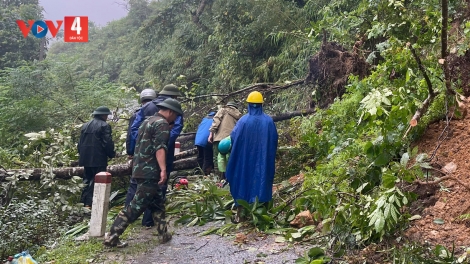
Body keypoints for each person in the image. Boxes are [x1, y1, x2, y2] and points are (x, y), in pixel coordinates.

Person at [103, 98, 184, 248]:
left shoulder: (147, 122)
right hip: (150, 171)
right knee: (136, 206)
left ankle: (163, 234)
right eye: (176, 115)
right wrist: (163, 170)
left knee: (157, 203)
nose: (176, 119)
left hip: (139, 168)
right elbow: (160, 148)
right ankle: (112, 237)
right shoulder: (162, 124)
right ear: (171, 112)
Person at [126, 84, 184, 227]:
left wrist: (142, 144)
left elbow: (135, 128)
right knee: (160, 185)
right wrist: (161, 143)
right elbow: (175, 130)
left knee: (135, 185)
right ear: (174, 97)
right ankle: (145, 221)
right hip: (162, 155)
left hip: (142, 155)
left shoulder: (146, 107)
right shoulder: (173, 110)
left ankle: (158, 229)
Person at [225, 91, 278, 222]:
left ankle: (241, 214)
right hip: (263, 160)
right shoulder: (268, 121)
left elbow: (233, 137)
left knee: (242, 180)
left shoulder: (243, 121)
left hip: (244, 161)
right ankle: (262, 214)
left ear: (249, 105)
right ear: (261, 105)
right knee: (262, 179)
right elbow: (274, 140)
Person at [124, 89, 157, 226]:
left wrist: (130, 151)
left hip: (138, 155)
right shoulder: (158, 112)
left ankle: (127, 215)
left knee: (134, 185)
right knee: (152, 187)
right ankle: (147, 220)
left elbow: (131, 135)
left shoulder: (137, 114)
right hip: (153, 155)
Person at [77, 106, 116, 208]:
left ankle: (83, 203)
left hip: (85, 158)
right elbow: (107, 142)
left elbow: (80, 143)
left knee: (86, 180)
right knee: (96, 181)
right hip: (98, 158)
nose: (107, 117)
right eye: (107, 115)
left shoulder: (85, 125)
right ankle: (90, 204)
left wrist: (81, 154)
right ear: (103, 115)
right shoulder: (104, 126)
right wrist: (111, 154)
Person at [208, 101, 242, 180]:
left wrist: (211, 134)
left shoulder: (223, 110)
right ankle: (229, 178)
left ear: (228, 105)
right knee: (230, 159)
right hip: (231, 140)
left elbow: (216, 121)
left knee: (217, 158)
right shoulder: (239, 115)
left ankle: (219, 179)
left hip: (220, 138)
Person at [194, 111, 215, 175]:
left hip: (198, 140)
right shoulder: (215, 119)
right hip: (207, 140)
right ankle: (204, 175)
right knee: (207, 158)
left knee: (200, 157)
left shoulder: (205, 119)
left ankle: (198, 173)